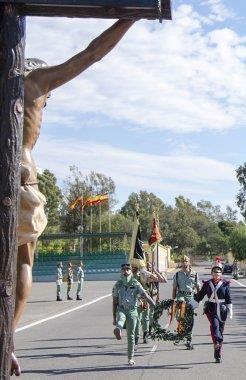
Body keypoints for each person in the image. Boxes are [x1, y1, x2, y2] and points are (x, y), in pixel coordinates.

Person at [11, 20, 137, 376]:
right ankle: (8, 338)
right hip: (22, 176)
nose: (45, 106)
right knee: (24, 260)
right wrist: (130, 17)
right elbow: (92, 53)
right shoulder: (34, 83)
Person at [112, 263, 156, 366]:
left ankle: (130, 358)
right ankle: (118, 329)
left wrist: (154, 305)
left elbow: (145, 295)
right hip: (121, 309)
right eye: (124, 270)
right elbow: (114, 302)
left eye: (128, 269)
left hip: (133, 311)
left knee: (131, 336)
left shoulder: (135, 283)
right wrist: (114, 317)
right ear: (121, 271)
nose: (126, 271)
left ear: (131, 271)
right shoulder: (117, 285)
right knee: (121, 319)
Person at [194, 265, 233, 363]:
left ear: (221, 274)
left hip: (222, 309)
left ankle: (217, 352)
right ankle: (216, 341)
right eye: (215, 272)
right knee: (215, 325)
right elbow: (200, 296)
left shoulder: (225, 284)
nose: (217, 273)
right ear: (212, 273)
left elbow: (228, 298)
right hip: (211, 308)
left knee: (220, 329)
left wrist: (230, 310)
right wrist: (192, 305)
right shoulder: (207, 284)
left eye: (219, 272)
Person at [172, 255, 200, 349]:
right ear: (181, 263)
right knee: (180, 315)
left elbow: (198, 287)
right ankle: (180, 334)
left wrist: (198, 300)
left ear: (189, 262)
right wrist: (172, 301)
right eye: (183, 261)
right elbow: (174, 288)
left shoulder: (195, 274)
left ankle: (189, 339)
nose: (184, 263)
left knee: (190, 319)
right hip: (181, 296)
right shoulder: (177, 274)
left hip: (191, 297)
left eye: (186, 261)